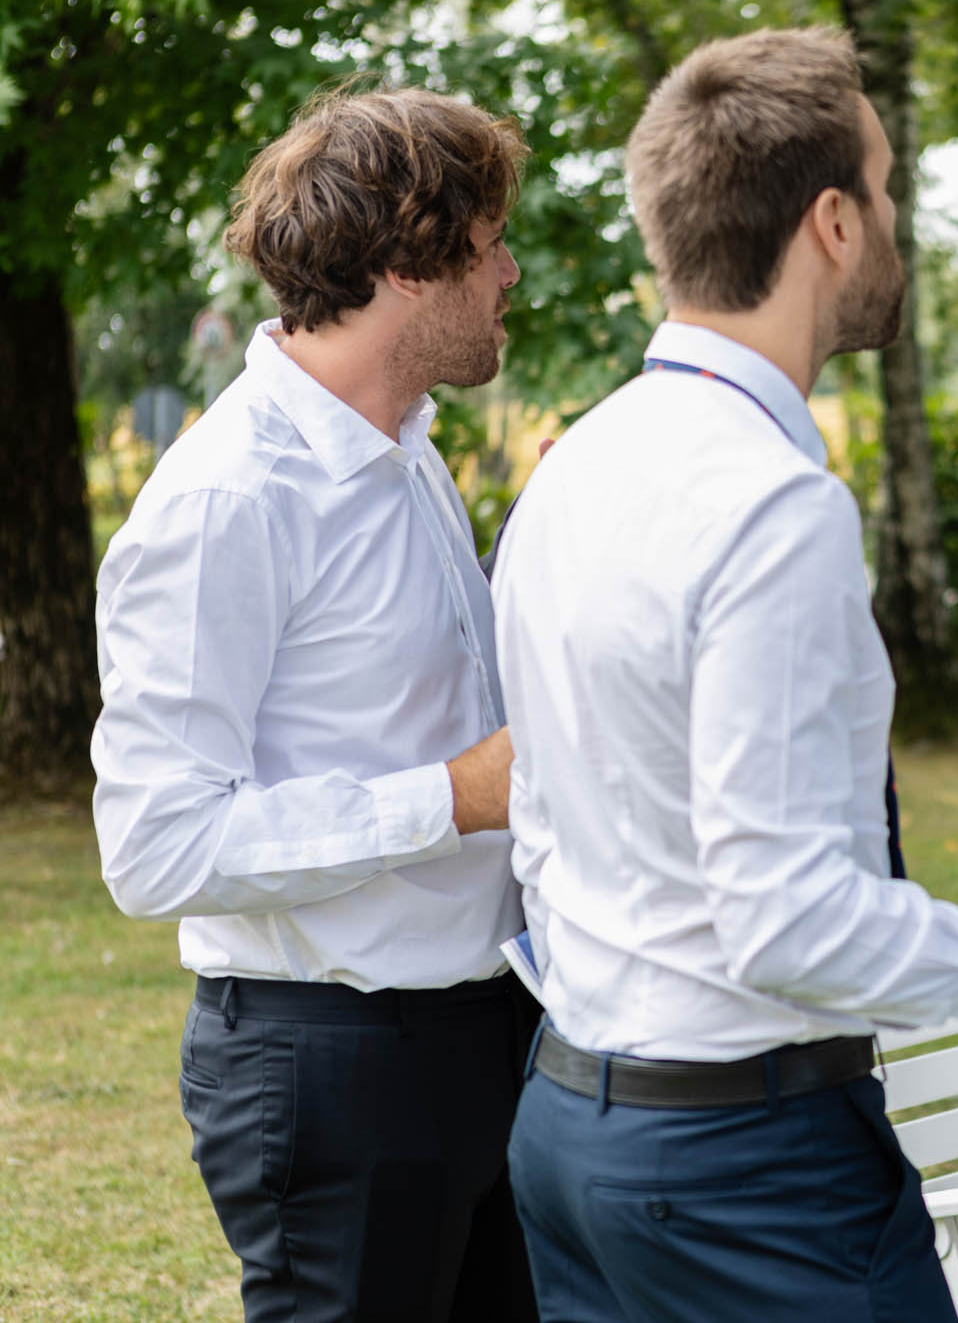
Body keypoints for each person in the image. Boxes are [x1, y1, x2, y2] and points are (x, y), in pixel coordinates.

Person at [490, 28, 958, 1323]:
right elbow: (792, 925)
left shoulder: (569, 470)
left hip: (572, 1129)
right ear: (833, 221)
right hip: (749, 1170)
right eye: (888, 192)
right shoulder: (770, 503)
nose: (896, 223)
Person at [91, 88, 538, 1322]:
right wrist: (451, 798)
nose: (510, 270)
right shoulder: (227, 500)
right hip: (329, 1069)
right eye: (489, 240)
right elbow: (155, 845)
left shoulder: (406, 446)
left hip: (483, 1028)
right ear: (406, 262)